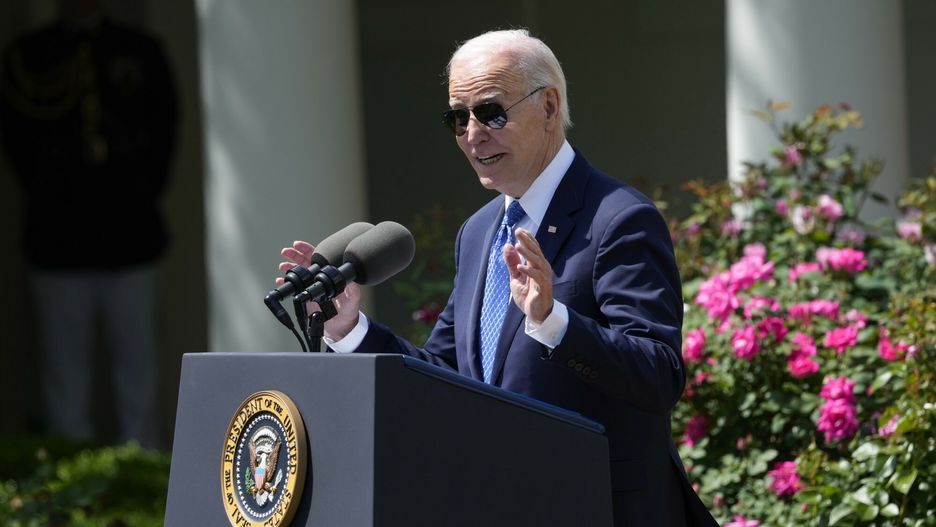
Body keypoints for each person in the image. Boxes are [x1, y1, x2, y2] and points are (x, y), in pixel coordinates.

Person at [279, 29, 716, 525]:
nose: (472, 133)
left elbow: (659, 375)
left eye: (490, 112)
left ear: (549, 106)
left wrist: (554, 321)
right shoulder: (481, 230)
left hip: (600, 508)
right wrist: (349, 328)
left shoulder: (617, 218)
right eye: (457, 118)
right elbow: (443, 374)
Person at [0, 0, 178, 448]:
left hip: (129, 233)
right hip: (58, 238)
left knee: (138, 368)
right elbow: (18, 141)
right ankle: (71, 487)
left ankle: (143, 476)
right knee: (64, 374)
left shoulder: (138, 49)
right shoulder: (31, 55)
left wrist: (138, 189)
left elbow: (164, 130)